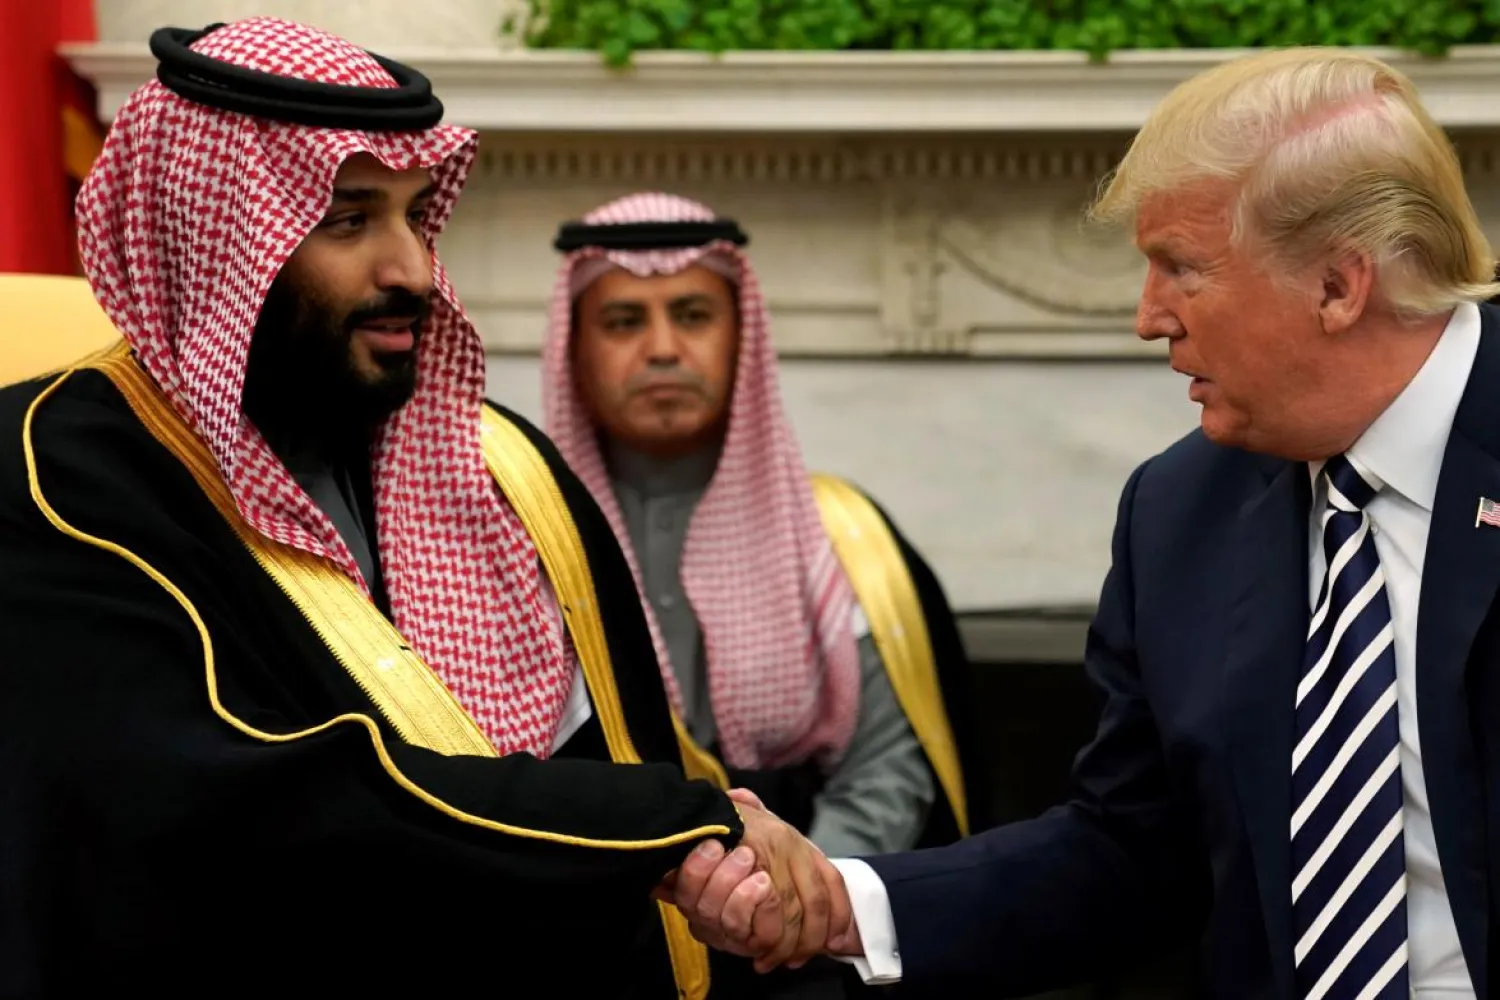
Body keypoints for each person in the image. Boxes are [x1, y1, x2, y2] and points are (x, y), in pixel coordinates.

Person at [0, 18, 839, 995]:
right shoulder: (59, 476)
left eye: (414, 212)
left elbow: (618, 749)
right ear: (215, 239)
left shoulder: (503, 469)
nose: (410, 270)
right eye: (350, 219)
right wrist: (667, 823)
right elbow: (258, 799)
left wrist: (729, 872)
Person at [674, 46, 1500, 1000]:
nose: (1149, 318)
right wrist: (840, 901)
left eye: (1181, 269)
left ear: (1337, 287)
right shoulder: (1181, 511)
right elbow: (1134, 851)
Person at [542, 193, 985, 996]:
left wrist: (791, 903)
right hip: (592, 930)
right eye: (623, 322)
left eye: (692, 314)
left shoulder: (845, 538)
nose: (663, 348)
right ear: (572, 350)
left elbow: (888, 767)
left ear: (741, 338)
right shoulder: (516, 541)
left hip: (806, 938)